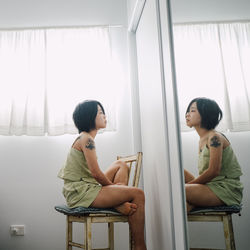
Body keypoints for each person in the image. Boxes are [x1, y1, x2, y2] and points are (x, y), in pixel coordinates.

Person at [58, 100, 147, 250]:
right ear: (89, 116)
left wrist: (116, 191)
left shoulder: (84, 137)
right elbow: (96, 173)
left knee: (121, 165)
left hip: (84, 187)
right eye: (100, 112)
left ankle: (117, 203)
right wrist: (115, 188)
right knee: (138, 193)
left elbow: (94, 175)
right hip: (81, 192)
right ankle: (139, 245)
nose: (105, 116)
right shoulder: (86, 138)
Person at [184, 97, 243, 213]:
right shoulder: (202, 140)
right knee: (178, 171)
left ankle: (190, 203)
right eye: (188, 111)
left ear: (206, 114)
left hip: (225, 189)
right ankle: (190, 204)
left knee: (178, 191)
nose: (187, 114)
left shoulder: (214, 137)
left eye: (192, 110)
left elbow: (213, 171)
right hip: (210, 186)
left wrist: (188, 185)